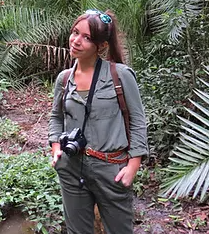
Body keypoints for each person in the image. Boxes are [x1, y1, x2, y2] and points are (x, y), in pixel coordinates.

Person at [48, 9, 148, 234]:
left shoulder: (120, 75)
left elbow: (138, 121)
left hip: (111, 168)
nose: (76, 40)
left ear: (101, 46)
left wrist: (133, 165)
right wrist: (56, 149)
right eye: (75, 33)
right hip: (72, 166)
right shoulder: (64, 79)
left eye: (87, 37)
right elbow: (56, 116)